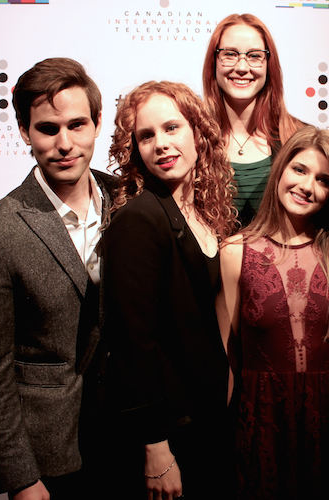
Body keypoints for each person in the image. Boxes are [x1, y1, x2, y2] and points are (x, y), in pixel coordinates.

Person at [0, 57, 117, 499]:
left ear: (97, 124)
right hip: (49, 456)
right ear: (24, 132)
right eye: (48, 129)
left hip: (127, 434)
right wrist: (19, 477)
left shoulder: (128, 201)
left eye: (77, 125)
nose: (65, 143)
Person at [102, 81, 238, 499]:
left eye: (172, 128)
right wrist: (155, 446)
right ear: (135, 150)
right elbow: (131, 343)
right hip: (172, 434)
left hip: (210, 421)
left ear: (198, 133)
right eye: (147, 135)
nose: (161, 144)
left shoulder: (206, 214)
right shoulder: (139, 219)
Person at [216, 126, 329, 499]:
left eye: (323, 179)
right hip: (261, 414)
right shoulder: (236, 251)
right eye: (299, 170)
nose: (307, 185)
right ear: (280, 170)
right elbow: (225, 355)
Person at [202, 13, 305, 225]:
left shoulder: (300, 138)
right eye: (229, 54)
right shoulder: (194, 140)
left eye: (254, 56)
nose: (241, 67)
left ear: (269, 64)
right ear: (214, 62)